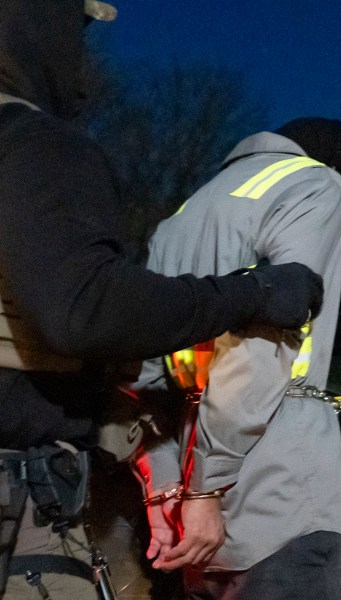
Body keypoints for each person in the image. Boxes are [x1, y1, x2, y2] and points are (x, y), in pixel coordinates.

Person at [0, 2, 324, 599]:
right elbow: (88, 309)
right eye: (77, 32)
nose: (83, 60)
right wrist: (251, 291)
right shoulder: (34, 144)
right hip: (22, 501)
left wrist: (159, 472)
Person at [132, 117, 341, 599]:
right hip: (279, 495)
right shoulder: (318, 185)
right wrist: (205, 488)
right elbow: (263, 342)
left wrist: (167, 492)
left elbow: (144, 374)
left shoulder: (178, 219)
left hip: (191, 524)